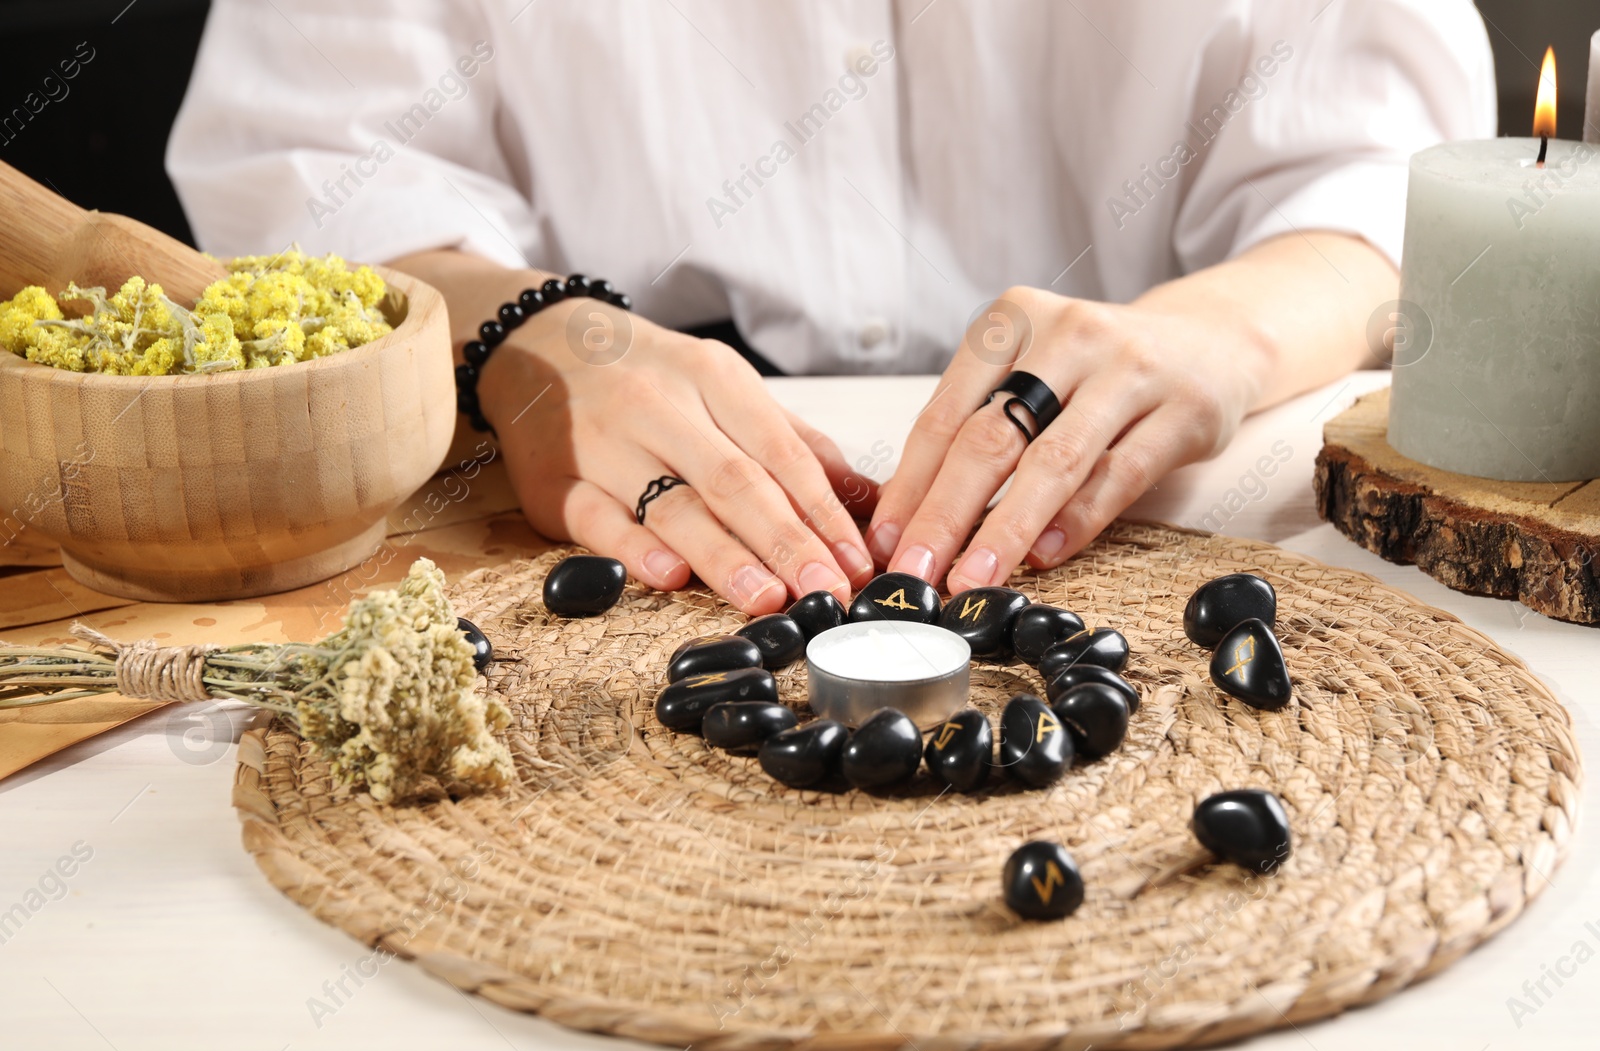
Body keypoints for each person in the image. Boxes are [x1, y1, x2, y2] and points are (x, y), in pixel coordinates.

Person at [167, 0, 1494, 614]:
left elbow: (1377, 176)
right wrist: (527, 339)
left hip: (1178, 489)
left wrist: (1224, 331)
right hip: (566, 503)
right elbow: (308, 176)